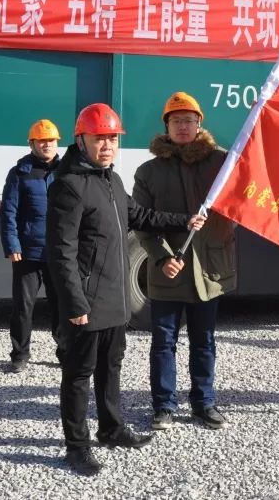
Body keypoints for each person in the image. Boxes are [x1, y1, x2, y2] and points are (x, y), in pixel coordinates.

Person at [47, 102, 204, 477]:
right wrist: (73, 302)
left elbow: (143, 216)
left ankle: (111, 428)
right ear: (80, 139)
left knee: (110, 368)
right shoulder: (69, 186)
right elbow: (60, 253)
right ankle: (77, 446)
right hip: (86, 302)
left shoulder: (112, 181)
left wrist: (185, 220)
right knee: (78, 374)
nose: (107, 145)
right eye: (99, 138)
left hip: (116, 300)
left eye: (112, 139)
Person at [132, 91, 237, 432]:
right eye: (176, 121)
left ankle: (204, 402)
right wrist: (161, 258)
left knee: (204, 340)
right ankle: (163, 405)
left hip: (209, 270)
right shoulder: (149, 171)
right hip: (169, 272)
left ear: (199, 124)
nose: (182, 126)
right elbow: (142, 221)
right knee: (164, 341)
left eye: (188, 120)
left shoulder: (223, 163)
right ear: (166, 125)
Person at [0, 119, 62, 373]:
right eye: (41, 141)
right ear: (32, 143)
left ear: (57, 143)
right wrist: (12, 244)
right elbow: (9, 212)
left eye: (50, 140)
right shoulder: (20, 173)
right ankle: (20, 354)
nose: (46, 144)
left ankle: (65, 351)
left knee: (61, 305)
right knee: (23, 307)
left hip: (59, 253)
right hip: (28, 252)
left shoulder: (67, 171)